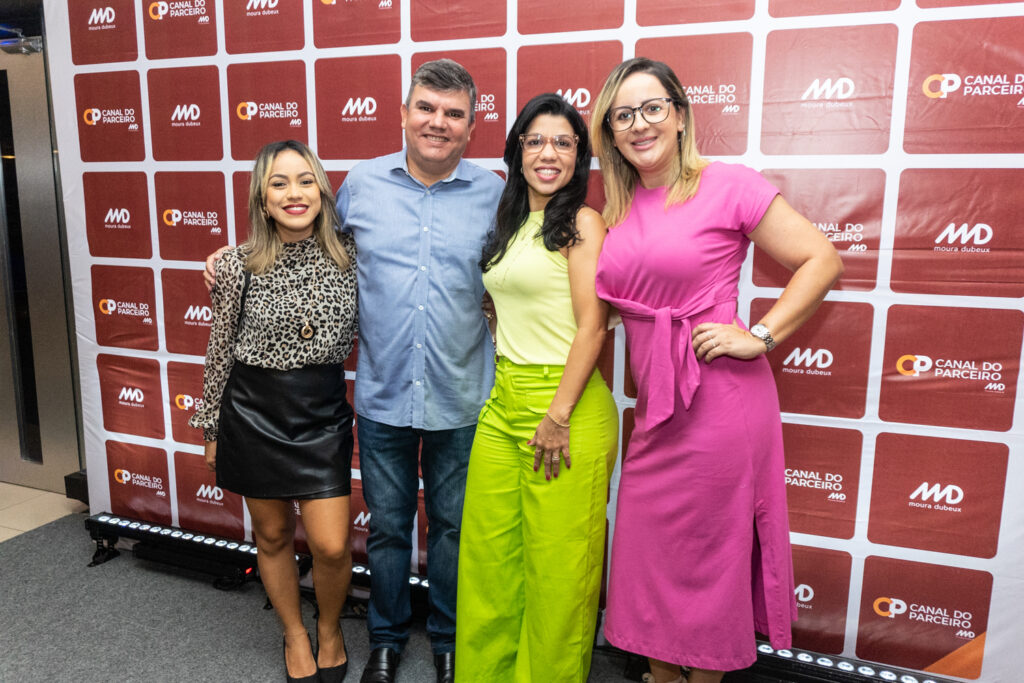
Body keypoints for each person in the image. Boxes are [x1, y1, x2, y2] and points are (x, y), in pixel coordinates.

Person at [590, 58, 844, 683]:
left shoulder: (727, 183)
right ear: (611, 132)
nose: (640, 124)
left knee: (712, 567)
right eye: (624, 115)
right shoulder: (616, 208)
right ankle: (662, 675)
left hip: (720, 405)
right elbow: (619, 298)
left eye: (653, 108)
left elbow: (821, 258)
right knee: (645, 561)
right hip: (657, 410)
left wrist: (758, 335)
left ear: (679, 115)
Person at [336, 60, 504, 683]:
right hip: (382, 398)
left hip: (462, 398)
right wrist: (234, 255)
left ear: (470, 125)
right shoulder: (359, 185)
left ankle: (448, 639)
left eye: (453, 113)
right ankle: (384, 637)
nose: (438, 122)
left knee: (455, 529)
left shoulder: (494, 193)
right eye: (426, 108)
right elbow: (306, 249)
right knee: (386, 529)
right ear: (403, 113)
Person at [455, 94, 618, 682]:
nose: (549, 153)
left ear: (580, 157)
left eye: (564, 142)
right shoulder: (511, 222)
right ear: (516, 151)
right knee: (490, 564)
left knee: (557, 579)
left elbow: (592, 327)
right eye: (535, 141)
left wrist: (557, 414)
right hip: (502, 406)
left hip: (565, 408)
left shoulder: (582, 222)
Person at [190, 139, 358, 683]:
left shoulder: (352, 252)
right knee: (272, 537)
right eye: (279, 183)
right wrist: (211, 427)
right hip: (254, 413)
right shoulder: (237, 265)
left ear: (322, 191)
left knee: (332, 546)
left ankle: (329, 627)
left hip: (321, 412)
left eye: (305, 180)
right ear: (262, 200)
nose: (294, 193)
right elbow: (219, 350)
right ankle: (294, 633)